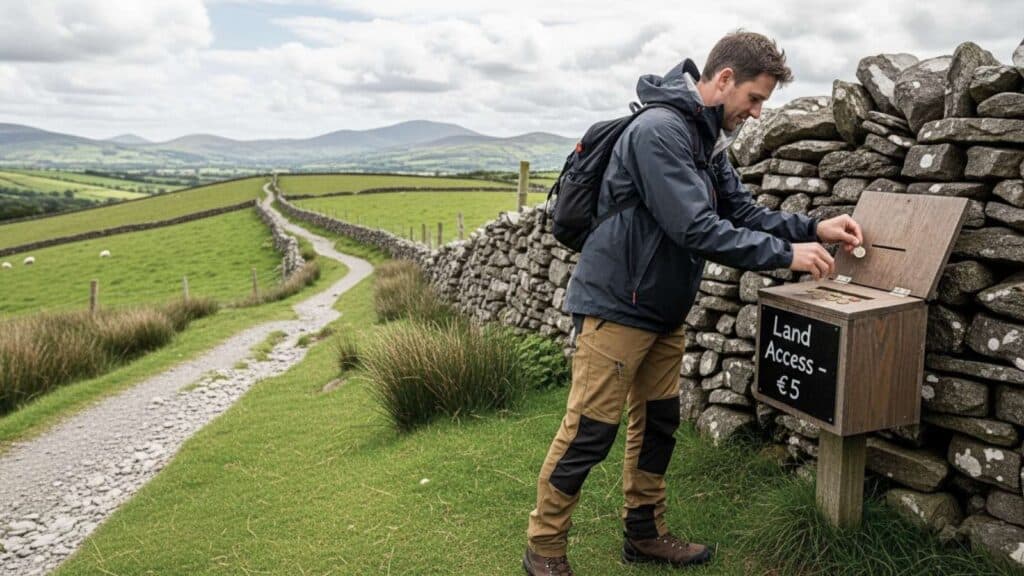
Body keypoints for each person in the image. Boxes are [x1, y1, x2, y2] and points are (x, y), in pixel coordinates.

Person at [523, 30, 863, 575]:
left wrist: (813, 227)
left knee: (657, 423)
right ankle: (544, 548)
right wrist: (787, 255)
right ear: (723, 79)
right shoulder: (660, 132)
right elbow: (697, 228)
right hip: (616, 305)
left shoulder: (706, 140)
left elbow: (743, 213)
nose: (756, 113)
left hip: (662, 309)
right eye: (754, 99)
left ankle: (645, 534)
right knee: (590, 429)